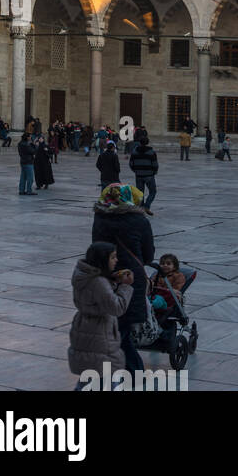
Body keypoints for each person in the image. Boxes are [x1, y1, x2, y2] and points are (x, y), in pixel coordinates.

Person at [91, 184, 154, 373]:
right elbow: (148, 255)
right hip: (129, 278)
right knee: (121, 328)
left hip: (106, 277)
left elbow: (95, 248)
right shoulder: (139, 220)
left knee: (116, 327)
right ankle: (134, 372)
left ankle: (127, 372)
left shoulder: (99, 218)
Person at [68, 241, 134, 390]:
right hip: (100, 333)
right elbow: (117, 307)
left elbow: (97, 298)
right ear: (103, 259)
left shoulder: (83, 275)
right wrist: (125, 286)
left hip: (84, 328)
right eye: (113, 257)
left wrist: (113, 281)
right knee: (106, 377)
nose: (116, 260)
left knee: (90, 376)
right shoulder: (99, 282)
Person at [129, 135, 159, 208]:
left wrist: (136, 171)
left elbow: (131, 164)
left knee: (140, 193)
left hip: (138, 175)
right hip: (149, 175)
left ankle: (141, 206)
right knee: (153, 191)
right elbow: (155, 164)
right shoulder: (151, 152)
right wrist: (154, 171)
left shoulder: (134, 152)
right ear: (147, 142)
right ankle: (146, 206)